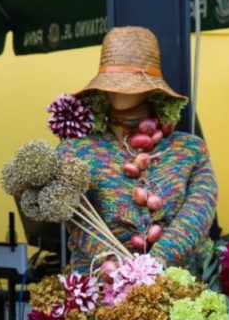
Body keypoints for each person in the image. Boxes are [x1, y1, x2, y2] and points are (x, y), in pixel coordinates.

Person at [57, 26, 217, 270]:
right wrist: (117, 269)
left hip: (175, 290)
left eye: (130, 84)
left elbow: (199, 212)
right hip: (98, 290)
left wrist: (154, 267)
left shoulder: (190, 150)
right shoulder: (75, 151)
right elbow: (78, 221)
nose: (120, 91)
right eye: (115, 83)